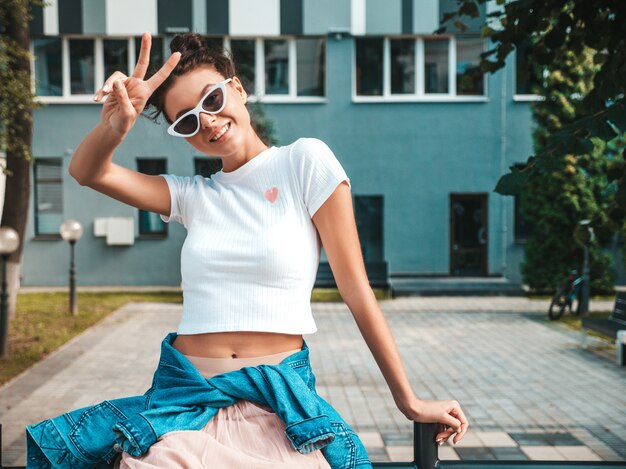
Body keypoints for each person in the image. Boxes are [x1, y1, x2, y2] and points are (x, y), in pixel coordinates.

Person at [39, 32, 468, 468]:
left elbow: (356, 290)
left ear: (238, 88)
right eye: (186, 120)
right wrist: (116, 126)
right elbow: (87, 171)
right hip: (184, 400)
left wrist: (408, 400)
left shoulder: (305, 162)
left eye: (211, 99)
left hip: (276, 402)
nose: (205, 121)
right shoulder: (192, 195)